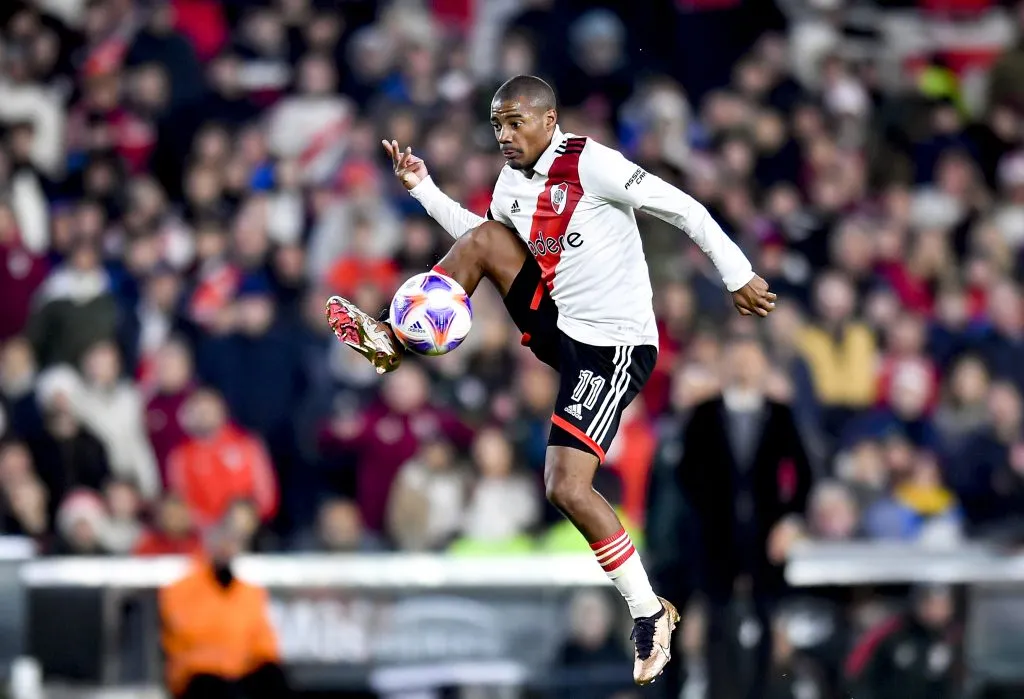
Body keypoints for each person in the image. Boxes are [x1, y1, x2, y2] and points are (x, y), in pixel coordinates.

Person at [325, 74, 776, 684]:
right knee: (485, 238)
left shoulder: (593, 164)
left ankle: (649, 612)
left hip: (613, 345)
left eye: (514, 123)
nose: (504, 136)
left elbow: (683, 207)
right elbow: (481, 242)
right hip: (561, 323)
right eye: (496, 126)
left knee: (565, 487)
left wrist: (736, 273)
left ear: (548, 119)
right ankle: (394, 337)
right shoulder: (510, 185)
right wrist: (422, 188)